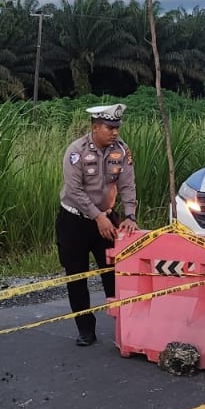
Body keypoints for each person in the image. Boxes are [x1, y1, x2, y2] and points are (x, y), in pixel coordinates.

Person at [57, 103, 139, 346]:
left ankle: (124, 327)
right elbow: (74, 189)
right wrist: (97, 217)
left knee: (114, 273)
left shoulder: (122, 150)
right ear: (95, 127)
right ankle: (86, 329)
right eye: (109, 127)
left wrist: (130, 215)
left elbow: (127, 183)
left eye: (117, 127)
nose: (114, 132)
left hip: (106, 218)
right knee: (76, 276)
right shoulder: (77, 151)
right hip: (74, 220)